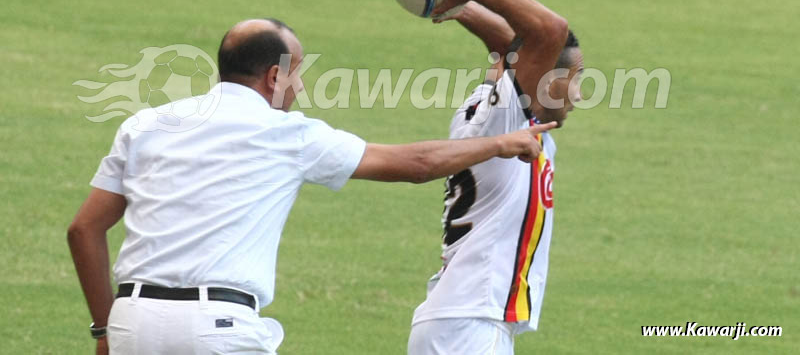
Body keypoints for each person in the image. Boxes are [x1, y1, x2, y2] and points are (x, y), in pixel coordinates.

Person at [67, 18, 556, 355]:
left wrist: (105, 326)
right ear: (275, 74)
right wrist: (497, 144)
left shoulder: (146, 125)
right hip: (217, 331)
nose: (298, 88)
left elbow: (84, 230)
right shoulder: (287, 134)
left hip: (132, 321)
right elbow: (416, 163)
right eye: (297, 74)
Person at [405, 0, 583, 355]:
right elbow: (550, 31)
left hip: (460, 319)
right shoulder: (506, 116)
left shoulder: (491, 108)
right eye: (573, 77)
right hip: (469, 325)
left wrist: (455, 4)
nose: (578, 93)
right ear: (538, 76)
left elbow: (511, 44)